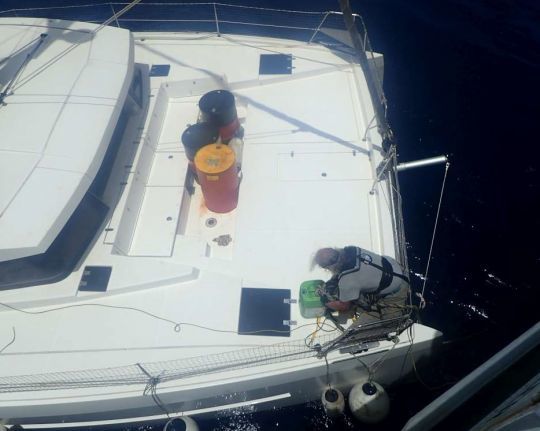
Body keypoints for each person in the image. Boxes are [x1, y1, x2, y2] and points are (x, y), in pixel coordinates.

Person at [313, 246, 410, 322]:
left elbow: (345, 306)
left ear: (328, 267)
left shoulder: (346, 281)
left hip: (397, 289)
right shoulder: (351, 249)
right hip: (395, 267)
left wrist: (326, 303)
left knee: (387, 323)